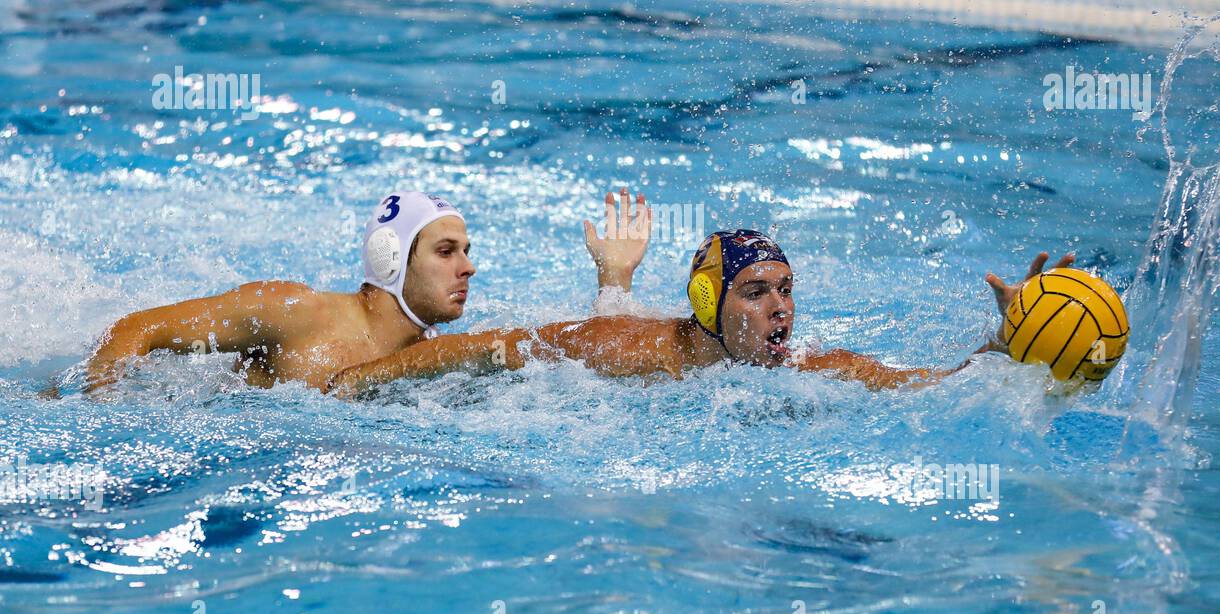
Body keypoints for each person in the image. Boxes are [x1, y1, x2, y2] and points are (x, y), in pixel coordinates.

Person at [326, 228, 1075, 396]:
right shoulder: (634, 351)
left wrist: (1008, 341)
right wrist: (364, 379)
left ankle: (615, 272)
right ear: (711, 304)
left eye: (786, 289)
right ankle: (614, 276)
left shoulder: (811, 366)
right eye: (757, 292)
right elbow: (487, 348)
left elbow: (929, 387)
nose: (781, 309)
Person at [84, 187, 652, 393]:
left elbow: (578, 359)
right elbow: (134, 330)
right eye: (446, 251)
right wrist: (104, 418)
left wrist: (615, 282)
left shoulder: (430, 361)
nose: (469, 269)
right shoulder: (294, 311)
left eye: (468, 251)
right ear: (390, 258)